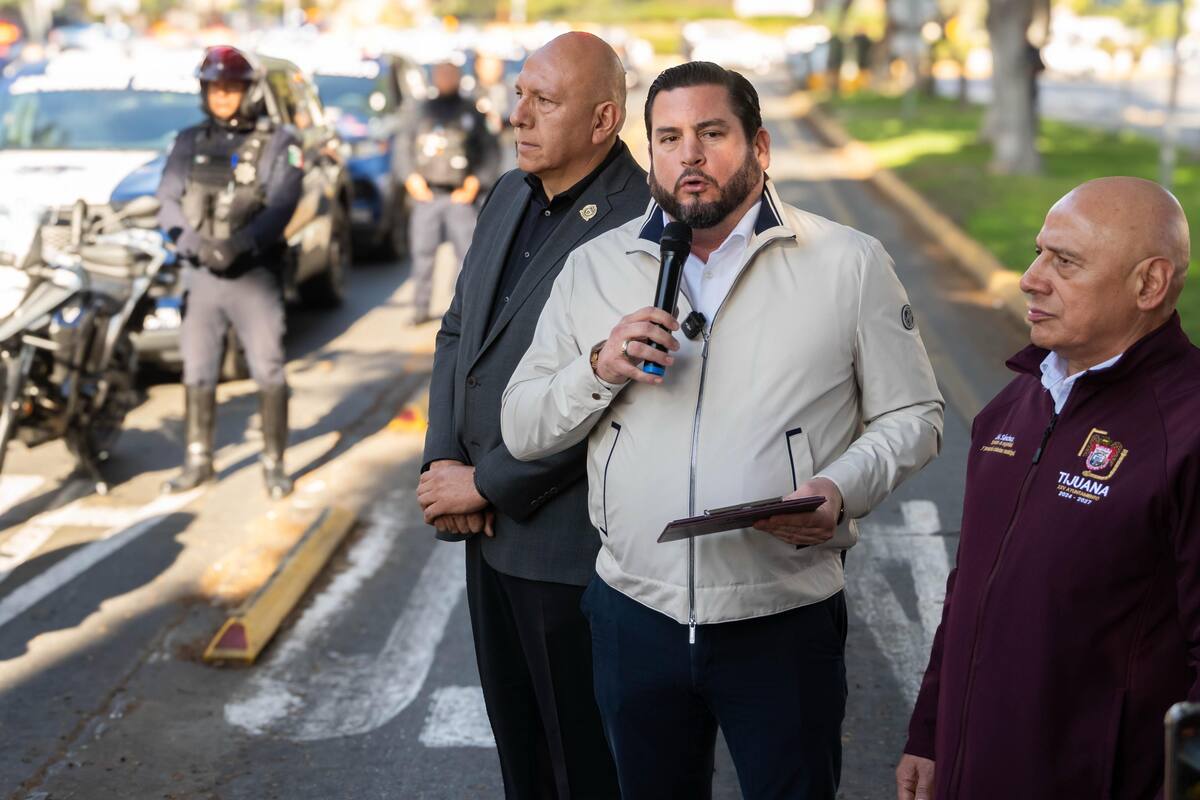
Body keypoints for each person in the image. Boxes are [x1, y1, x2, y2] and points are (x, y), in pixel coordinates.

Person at [501, 61, 944, 799]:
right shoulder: (594, 268)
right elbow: (523, 426)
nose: (690, 156)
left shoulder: (848, 263)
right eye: (668, 138)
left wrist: (841, 486)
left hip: (782, 618)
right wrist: (601, 365)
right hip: (632, 615)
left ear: (760, 146)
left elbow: (916, 415)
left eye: (711, 133)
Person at [898, 177, 1200, 800]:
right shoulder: (1017, 401)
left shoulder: (1189, 427)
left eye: (1066, 262)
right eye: (1040, 252)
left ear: (1149, 284)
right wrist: (930, 734)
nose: (1032, 278)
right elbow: (968, 592)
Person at [416, 32, 647, 799]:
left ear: (603, 119)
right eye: (518, 94)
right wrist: (442, 460)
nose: (517, 116)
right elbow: (459, 332)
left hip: (569, 547)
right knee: (520, 758)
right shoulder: (508, 192)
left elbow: (627, 392)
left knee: (582, 765)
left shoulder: (641, 223)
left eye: (543, 101)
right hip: (484, 536)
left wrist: (488, 483)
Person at [158, 45, 302, 500]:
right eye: (214, 88)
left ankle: (273, 462)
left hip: (252, 275)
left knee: (269, 369)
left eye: (231, 88)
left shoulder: (280, 142)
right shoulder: (188, 142)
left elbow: (282, 203)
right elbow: (167, 201)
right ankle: (198, 459)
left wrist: (240, 244)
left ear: (248, 91)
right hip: (202, 276)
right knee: (198, 369)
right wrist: (192, 243)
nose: (222, 97)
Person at [398, 61, 499, 326]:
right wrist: (410, 177)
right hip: (427, 194)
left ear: (458, 77)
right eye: (440, 74)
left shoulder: (471, 112)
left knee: (466, 256)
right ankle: (420, 308)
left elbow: (490, 151)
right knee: (422, 254)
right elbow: (403, 146)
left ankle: (461, 313)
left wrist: (476, 182)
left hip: (460, 196)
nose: (445, 79)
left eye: (450, 75)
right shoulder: (420, 111)